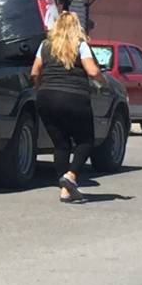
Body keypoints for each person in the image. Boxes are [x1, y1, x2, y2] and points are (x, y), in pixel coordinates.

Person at [30, 12, 107, 203]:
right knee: (86, 141)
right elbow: (92, 70)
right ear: (76, 27)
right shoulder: (81, 46)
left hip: (46, 98)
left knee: (61, 144)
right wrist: (103, 83)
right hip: (75, 98)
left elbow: (34, 71)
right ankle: (71, 176)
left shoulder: (44, 46)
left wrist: (39, 86)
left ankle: (65, 191)